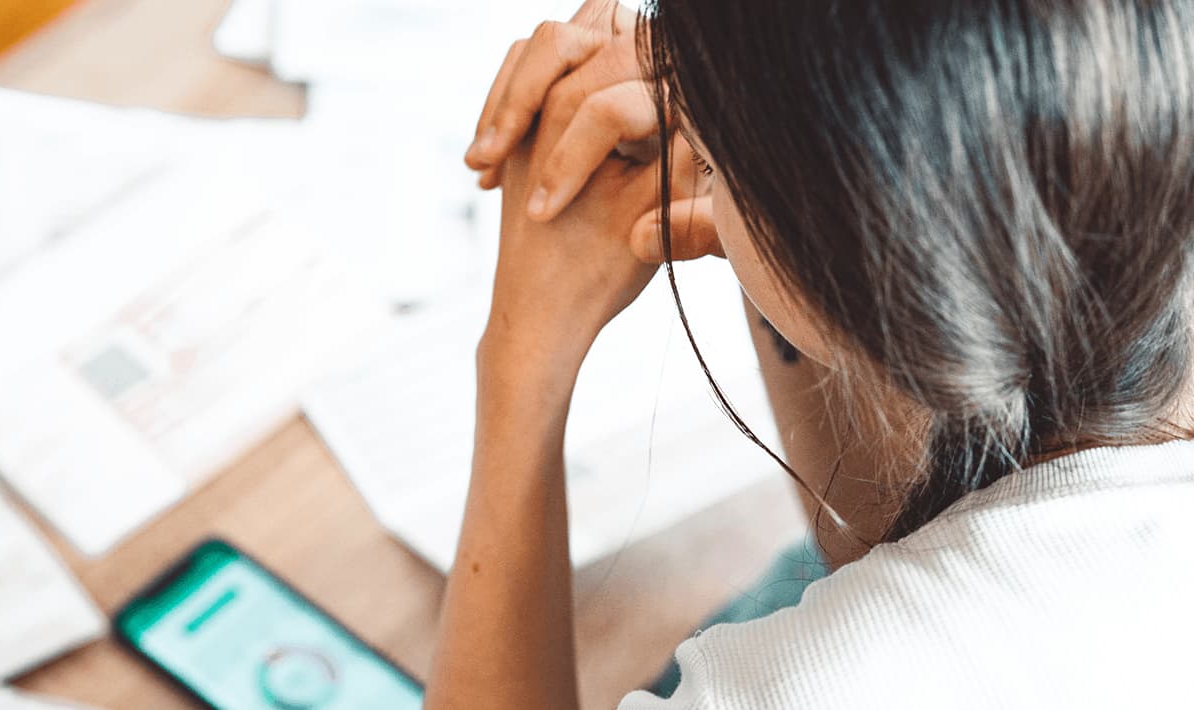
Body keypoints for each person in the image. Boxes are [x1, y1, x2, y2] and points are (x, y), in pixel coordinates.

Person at [425, 0, 1194, 708]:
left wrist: (522, 360)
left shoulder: (809, 687)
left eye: (720, 162)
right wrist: (766, 165)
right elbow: (877, 539)